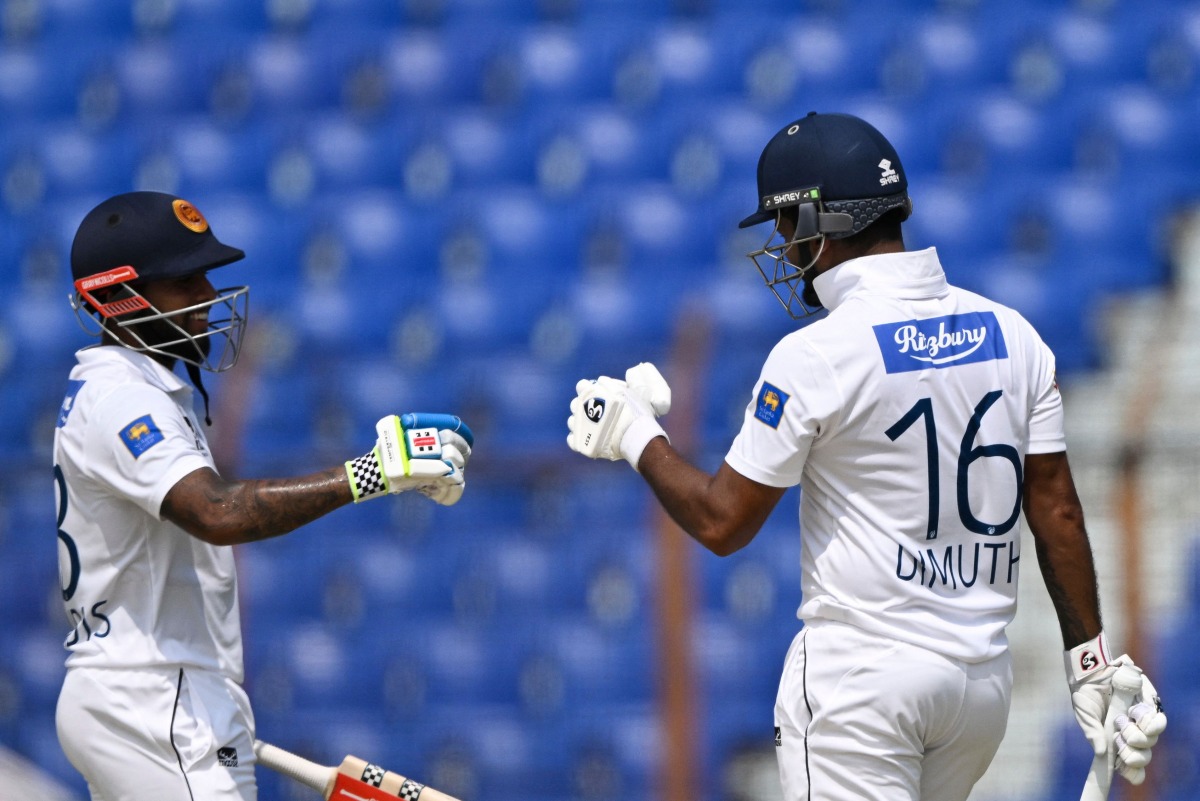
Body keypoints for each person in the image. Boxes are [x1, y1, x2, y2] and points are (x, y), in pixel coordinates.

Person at [566, 112, 1167, 800]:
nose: (786, 248)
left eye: (790, 225)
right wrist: (1089, 662)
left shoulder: (817, 353)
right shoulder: (1015, 333)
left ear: (823, 220)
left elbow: (721, 521)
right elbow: (1056, 507)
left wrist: (634, 434)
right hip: (978, 693)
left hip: (864, 684)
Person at [53, 191, 473, 800]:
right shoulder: (124, 396)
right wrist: (371, 472)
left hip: (150, 695)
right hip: (155, 700)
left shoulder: (134, 385)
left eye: (204, 276)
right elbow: (216, 513)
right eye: (183, 280)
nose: (205, 298)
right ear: (117, 297)